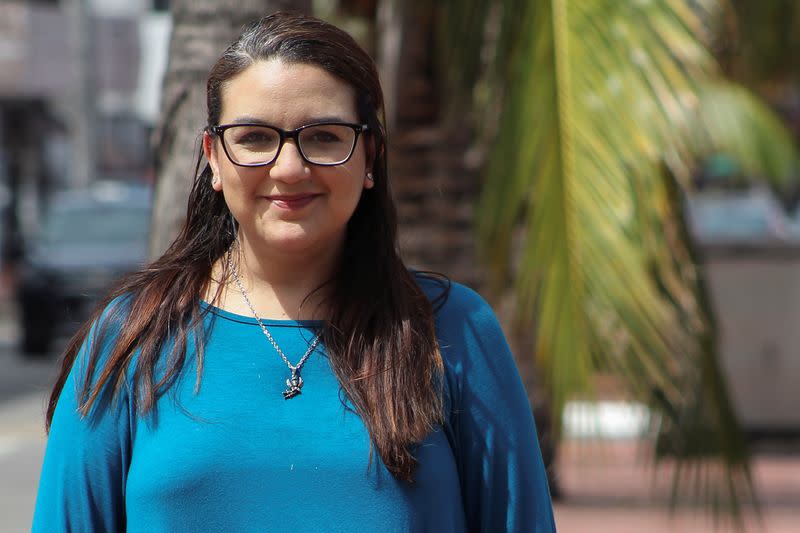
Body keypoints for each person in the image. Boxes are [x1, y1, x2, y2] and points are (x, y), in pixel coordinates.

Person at [32, 11, 555, 533]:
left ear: (369, 156)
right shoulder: (130, 342)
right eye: (255, 137)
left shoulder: (455, 331)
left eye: (324, 137)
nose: (288, 168)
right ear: (213, 157)